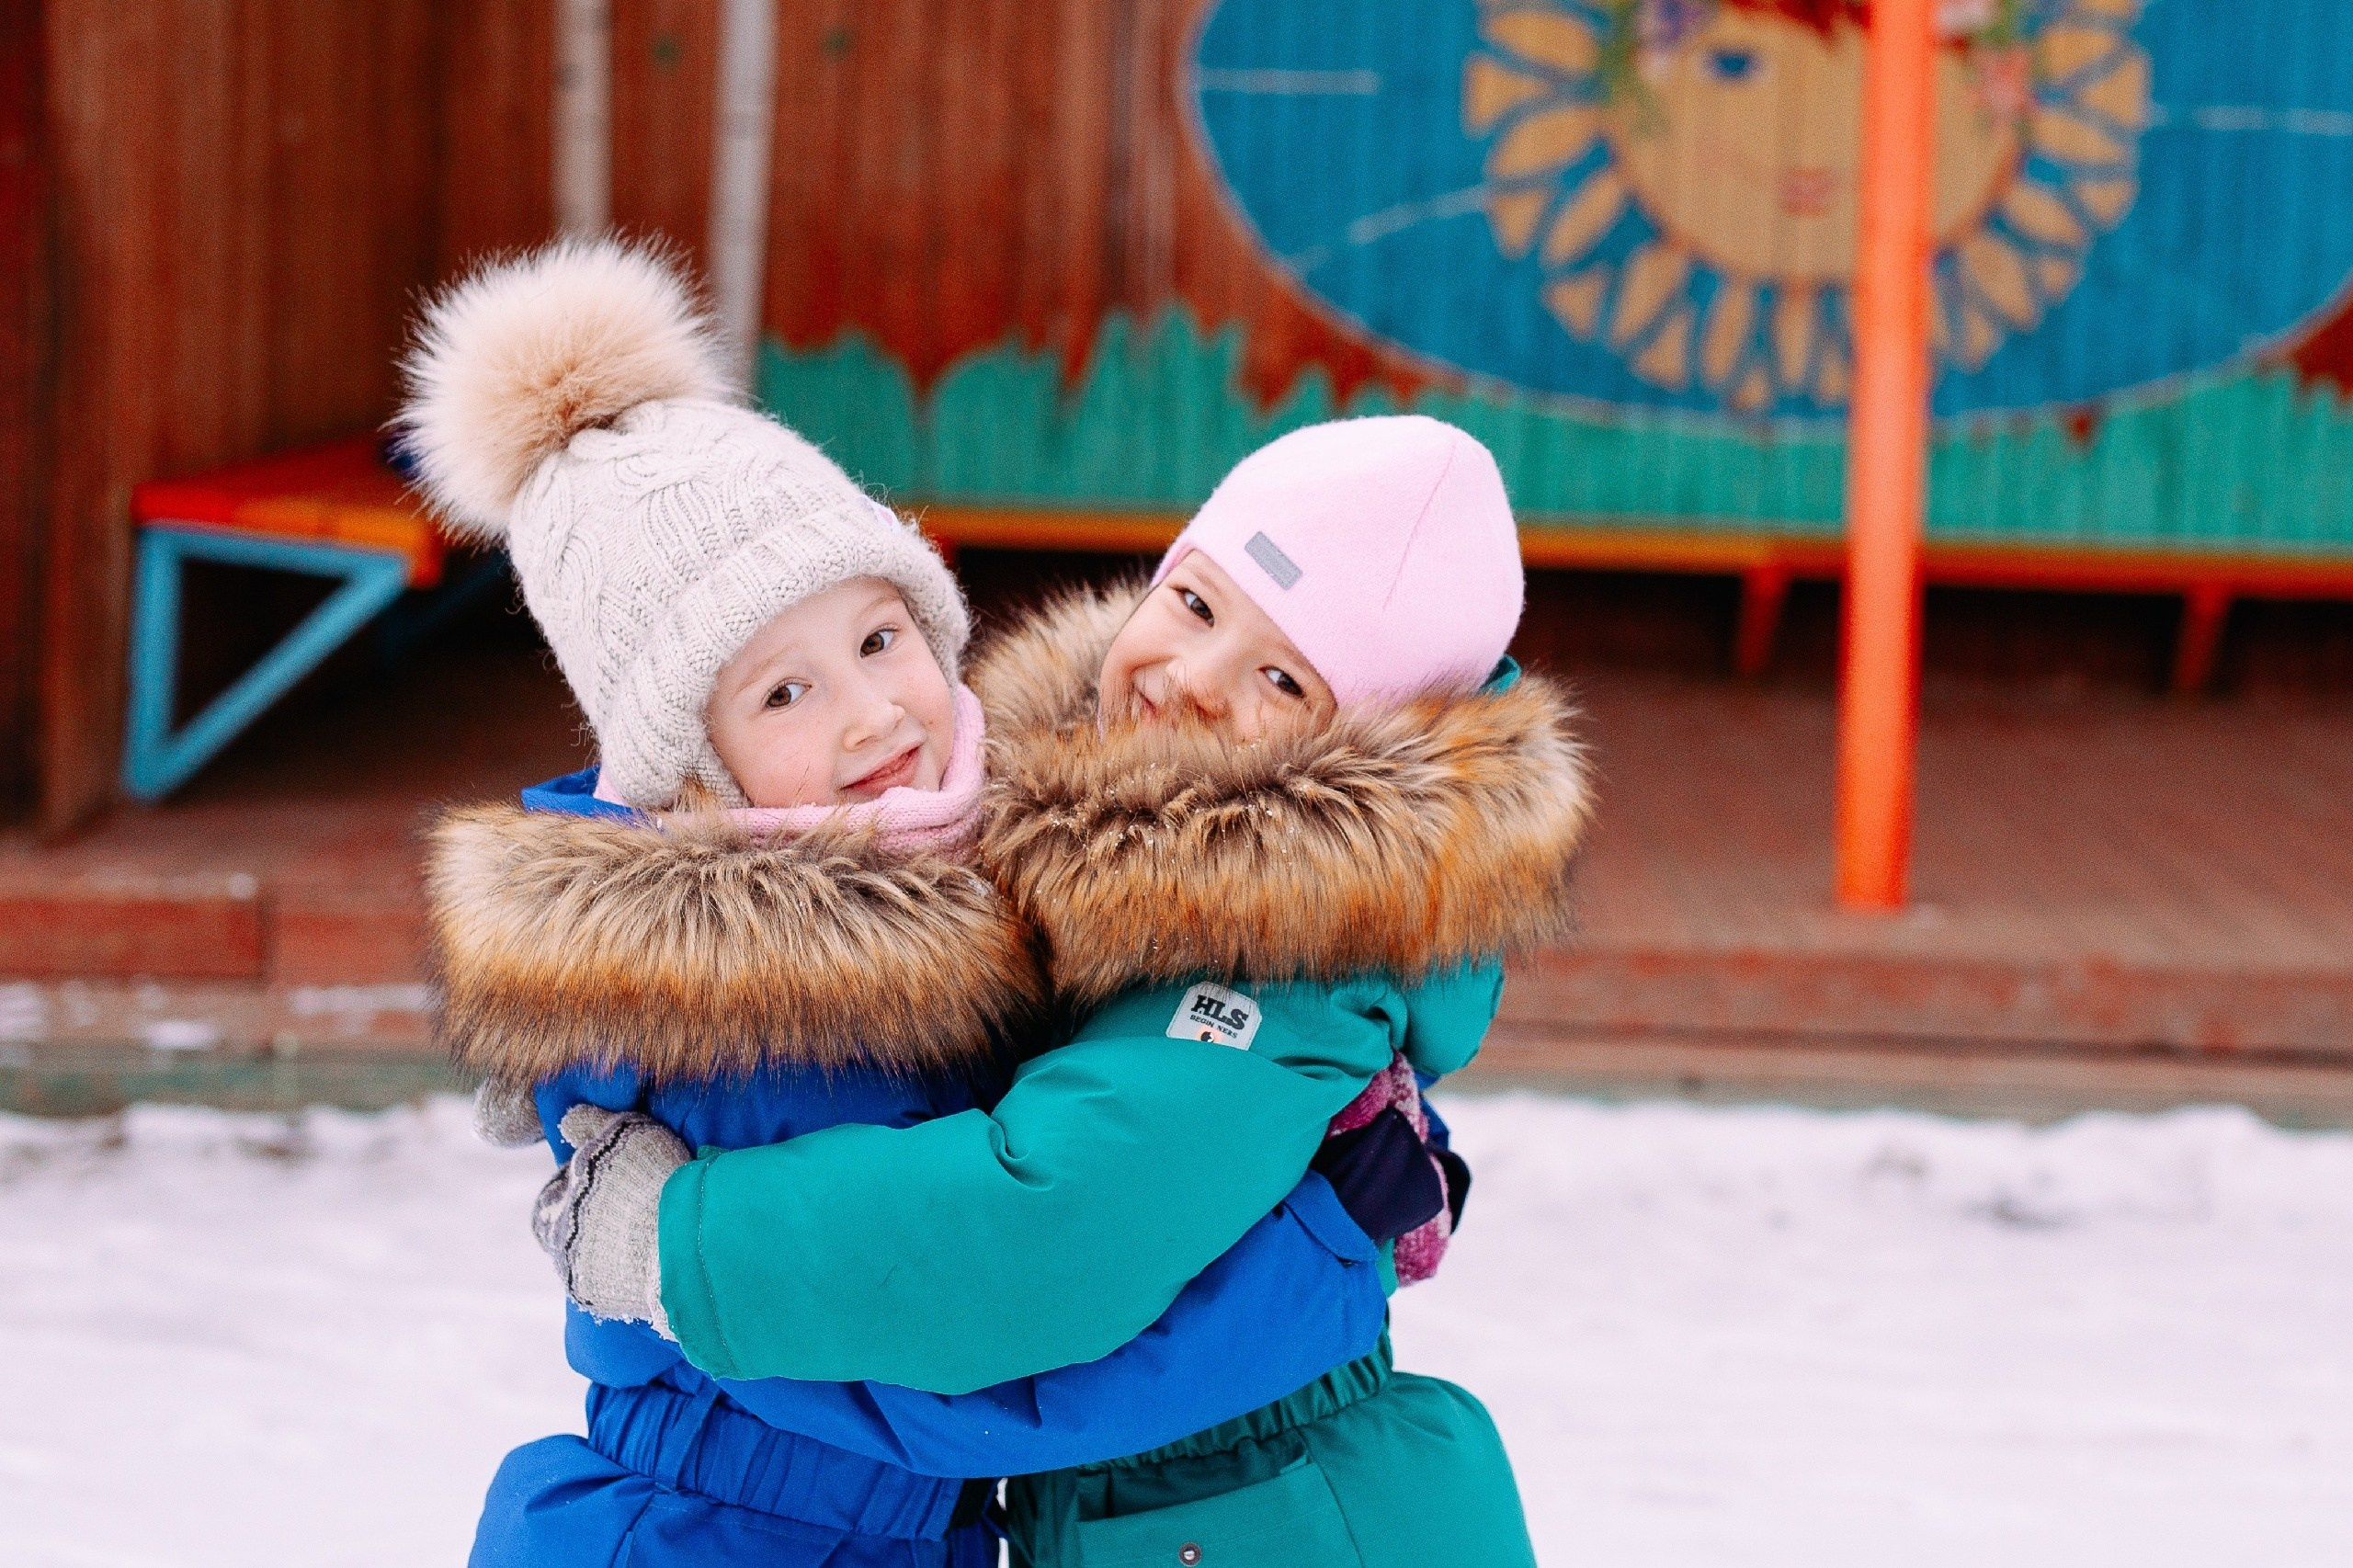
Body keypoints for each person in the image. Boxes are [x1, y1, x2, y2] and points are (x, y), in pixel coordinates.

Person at [403, 239, 1406, 1568]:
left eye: (881, 639)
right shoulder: (754, 999)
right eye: (784, 691)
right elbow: (987, 1361)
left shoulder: (933, 889)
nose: (874, 712)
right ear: (691, 774)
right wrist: (1330, 1243)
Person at [538, 415, 1596, 1566]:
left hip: (1290, 1522)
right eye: (1196, 602)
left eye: (1283, 677)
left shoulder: (1278, 955)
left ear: (1368, 745)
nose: (1192, 679)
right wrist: (1336, 1239)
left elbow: (1031, 1243)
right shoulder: (1078, 869)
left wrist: (676, 1242)